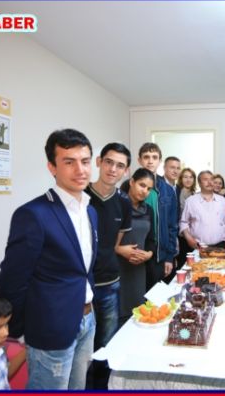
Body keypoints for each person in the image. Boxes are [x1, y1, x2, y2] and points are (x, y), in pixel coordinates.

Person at [0, 128, 98, 390]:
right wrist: (26, 328)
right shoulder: (34, 214)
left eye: (85, 161)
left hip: (87, 320)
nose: (80, 170)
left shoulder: (90, 211)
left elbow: (83, 269)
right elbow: (11, 281)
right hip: (51, 327)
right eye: (69, 162)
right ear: (52, 167)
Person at [84, 142, 132, 389]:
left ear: (126, 171)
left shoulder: (124, 202)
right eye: (109, 162)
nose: (113, 169)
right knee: (80, 349)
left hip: (109, 283)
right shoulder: (80, 195)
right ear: (98, 162)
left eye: (120, 165)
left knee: (106, 344)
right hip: (80, 287)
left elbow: (115, 243)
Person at [117, 169, 156, 326]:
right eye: (142, 185)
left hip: (138, 269)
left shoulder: (148, 210)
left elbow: (151, 240)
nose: (145, 191)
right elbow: (103, 240)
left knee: (137, 315)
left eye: (149, 188)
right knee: (116, 316)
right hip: (117, 267)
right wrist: (120, 250)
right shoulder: (117, 205)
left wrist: (149, 254)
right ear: (132, 182)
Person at [136, 143, 178, 289]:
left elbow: (172, 226)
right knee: (135, 299)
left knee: (155, 299)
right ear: (139, 160)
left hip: (159, 255)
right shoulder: (128, 187)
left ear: (160, 161)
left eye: (154, 157)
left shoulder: (168, 191)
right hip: (135, 253)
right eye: (146, 157)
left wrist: (169, 257)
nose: (150, 161)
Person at [180, 170, 225, 250]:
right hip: (197, 246)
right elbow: (184, 222)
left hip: (220, 246)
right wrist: (189, 238)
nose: (209, 182)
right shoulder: (191, 201)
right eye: (205, 179)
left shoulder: (222, 200)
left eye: (211, 179)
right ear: (199, 183)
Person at [176, 167, 197, 270]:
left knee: (193, 262)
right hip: (182, 234)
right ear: (181, 179)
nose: (188, 180)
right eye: (185, 177)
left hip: (193, 233)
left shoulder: (195, 194)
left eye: (191, 177)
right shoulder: (178, 192)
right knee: (183, 263)